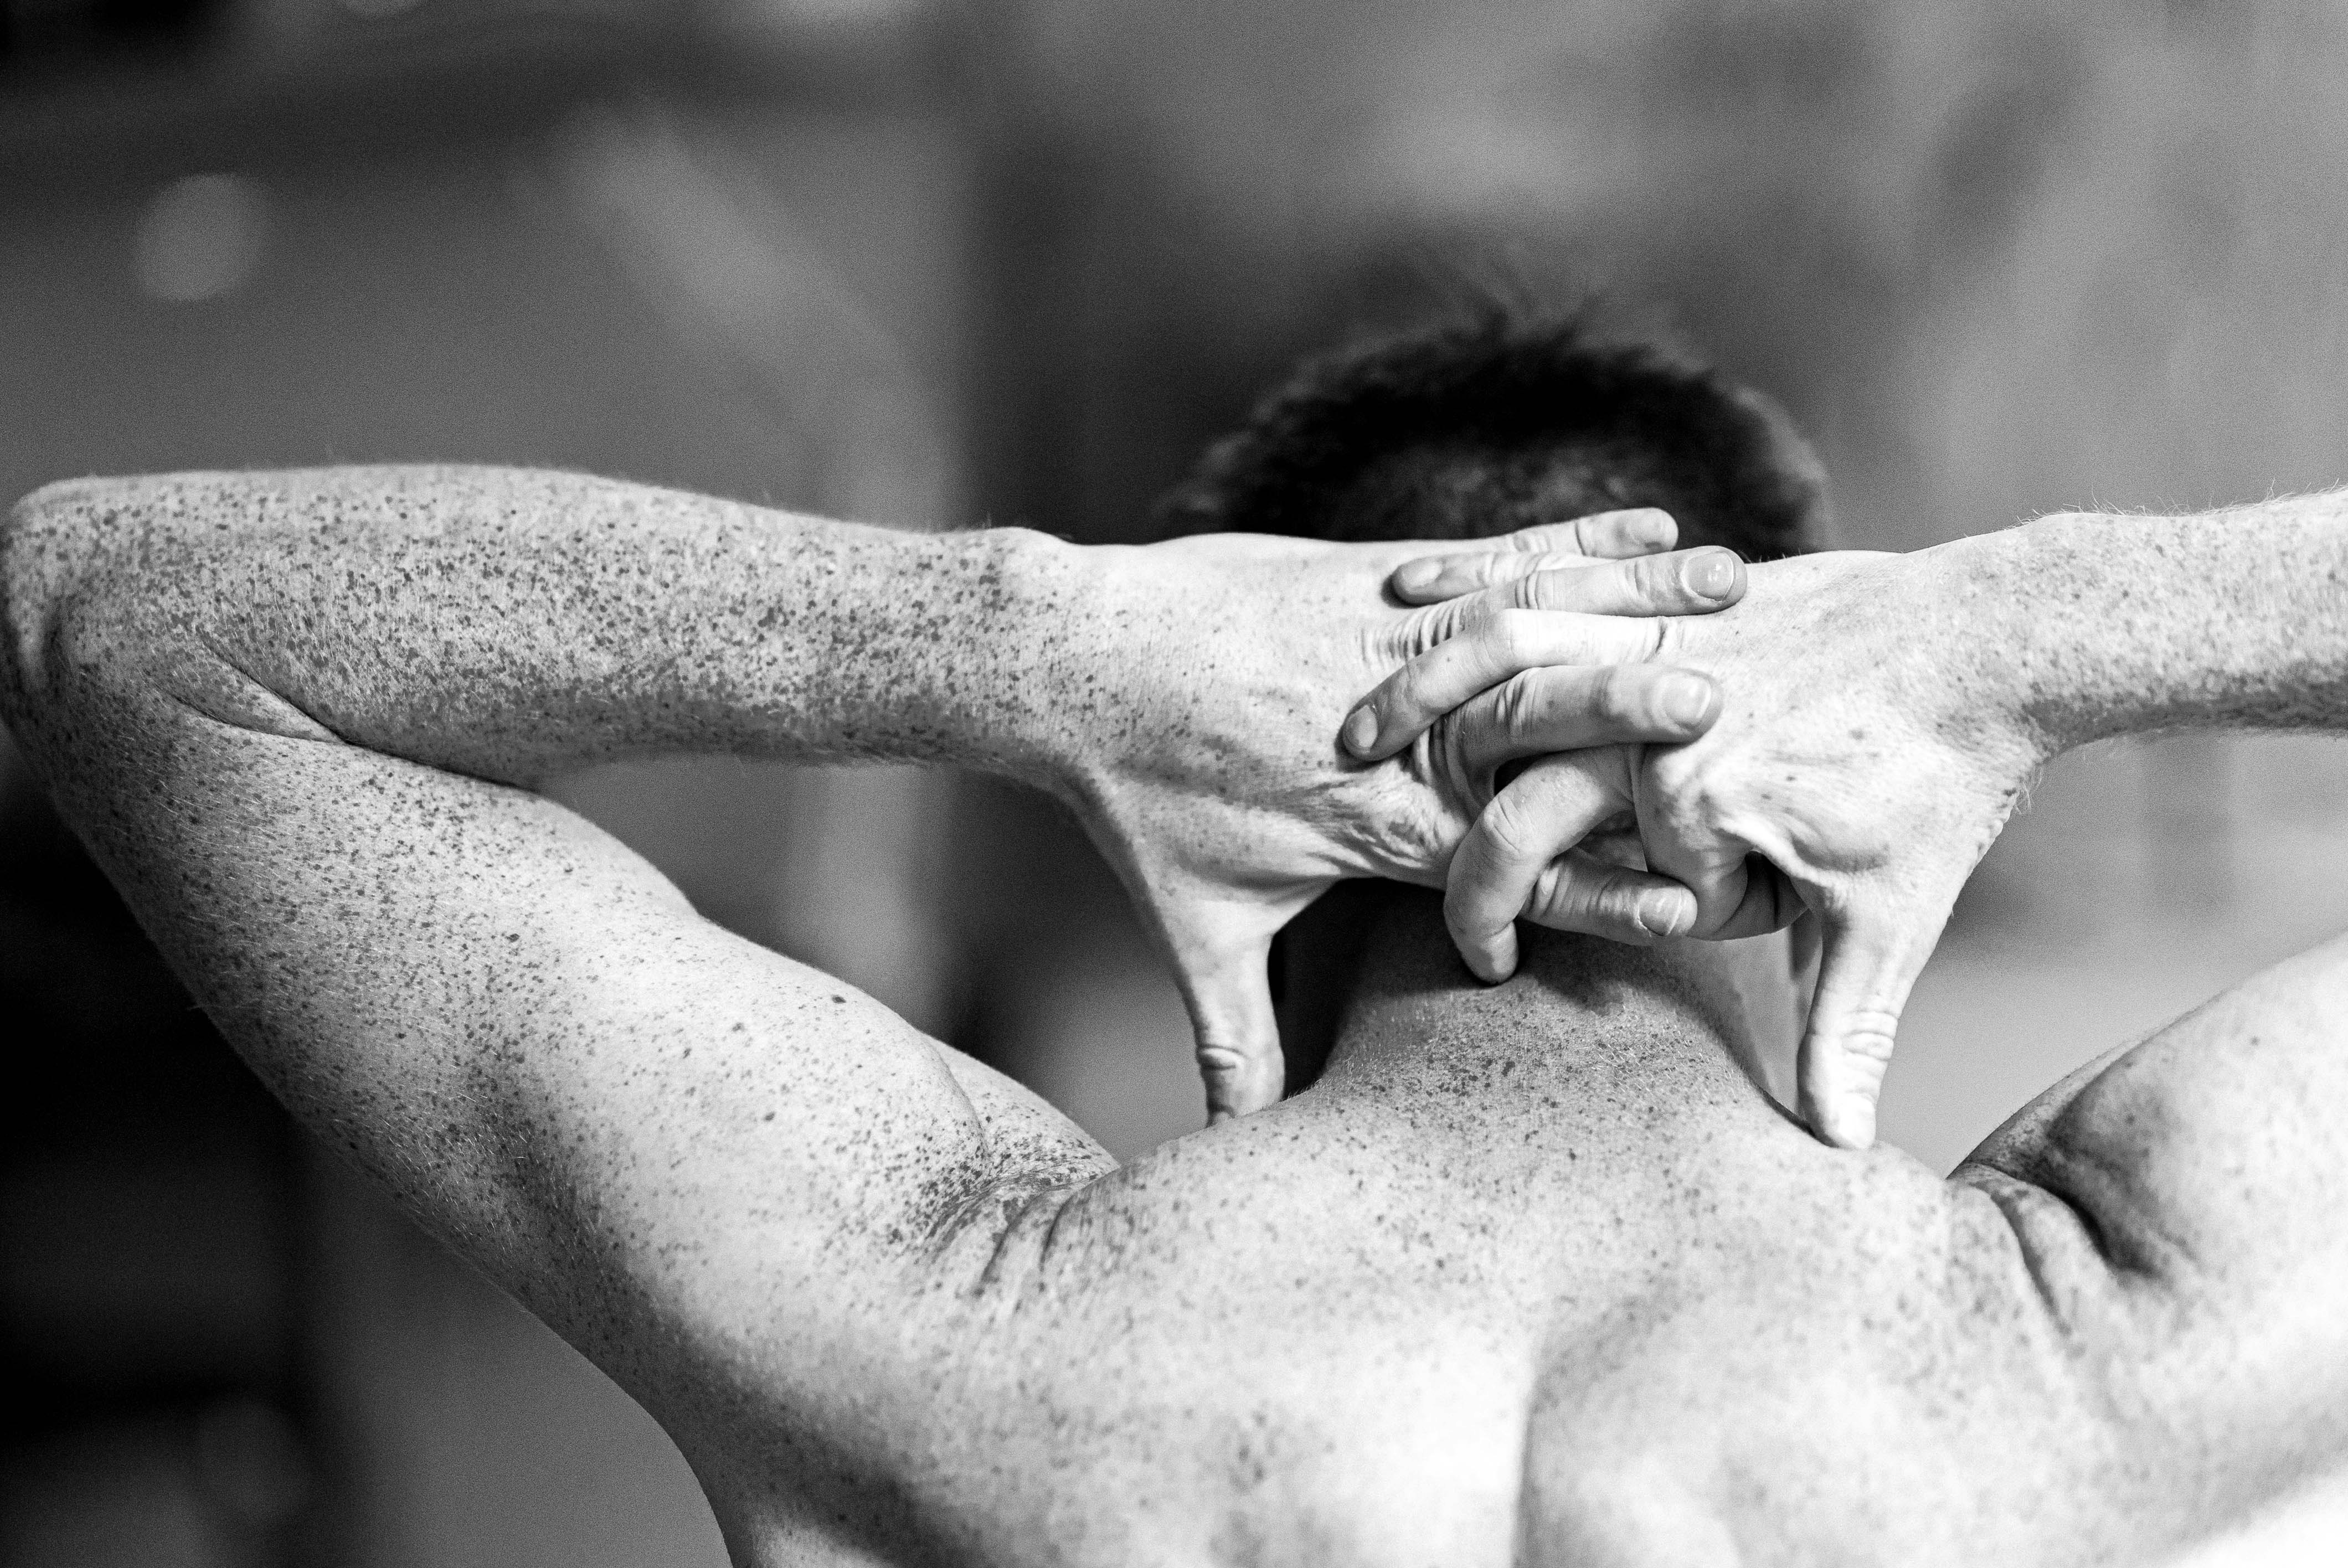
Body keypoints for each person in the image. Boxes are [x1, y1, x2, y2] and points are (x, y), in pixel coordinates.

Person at [3, 314, 2340, 1564]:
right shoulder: (2123, 1331)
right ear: (1803, 795)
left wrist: (1036, 643)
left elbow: (123, 626)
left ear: (1222, 809)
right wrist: (2006, 631)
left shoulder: (937, 1319)